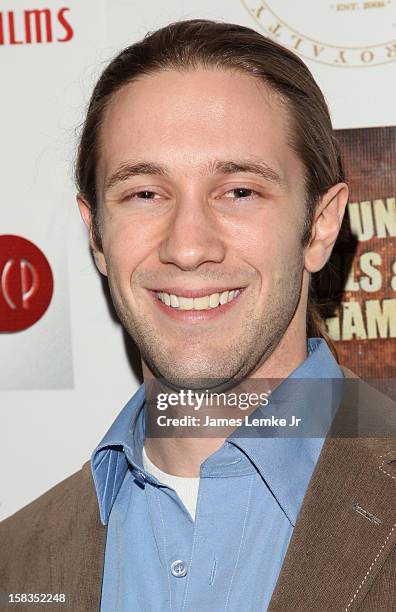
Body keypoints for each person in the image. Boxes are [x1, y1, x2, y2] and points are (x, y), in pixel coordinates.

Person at [1, 19, 395, 612]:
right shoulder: (18, 562)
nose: (187, 247)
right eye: (144, 194)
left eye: (239, 191)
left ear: (320, 225)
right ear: (97, 236)